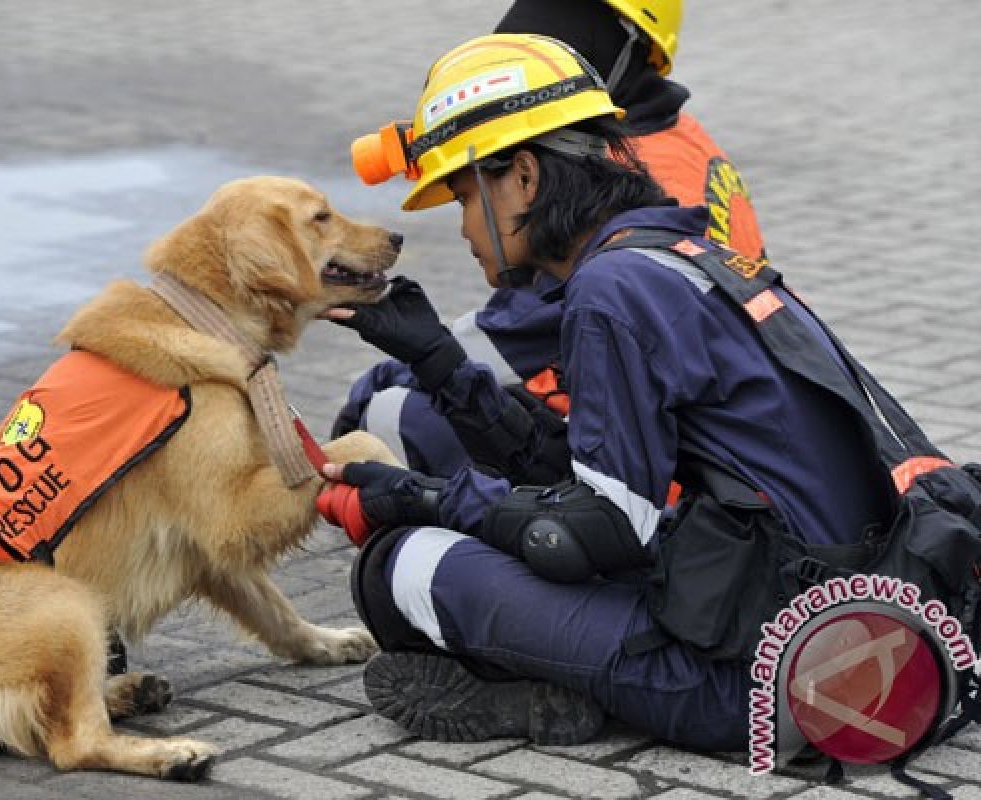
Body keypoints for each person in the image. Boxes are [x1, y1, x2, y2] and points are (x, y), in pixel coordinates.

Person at [315, 32, 903, 750]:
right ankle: (552, 680)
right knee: (451, 515)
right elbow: (587, 478)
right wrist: (438, 362)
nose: (466, 228)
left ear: (525, 178)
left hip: (770, 681)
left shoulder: (611, 290)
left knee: (401, 567)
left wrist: (424, 500)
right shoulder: (669, 252)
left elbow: (596, 531)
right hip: (847, 628)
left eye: (466, 197)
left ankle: (563, 690)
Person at [334, 0, 768, 486]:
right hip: (697, 444)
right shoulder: (679, 139)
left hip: (668, 482)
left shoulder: (623, 173)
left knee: (397, 415)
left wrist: (402, 365)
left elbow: (518, 332)